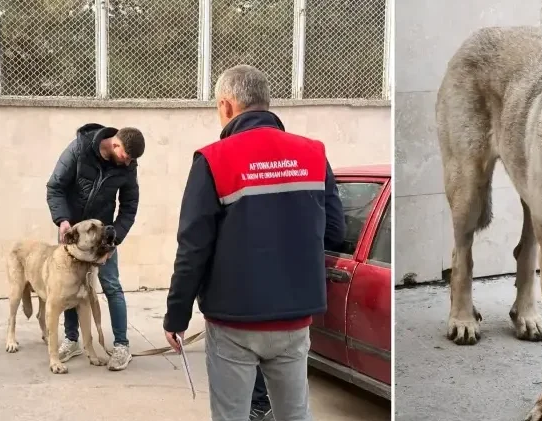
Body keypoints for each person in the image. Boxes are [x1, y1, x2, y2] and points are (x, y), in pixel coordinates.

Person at [163, 64, 345, 421]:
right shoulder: (313, 154)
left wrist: (177, 315)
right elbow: (335, 232)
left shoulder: (213, 159)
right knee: (295, 414)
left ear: (227, 105)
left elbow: (193, 248)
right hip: (295, 317)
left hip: (234, 321)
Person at [46, 124, 145, 371]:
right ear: (115, 144)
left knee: (112, 285)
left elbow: (129, 207)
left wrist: (114, 239)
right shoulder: (79, 149)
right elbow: (55, 186)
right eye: (126, 156)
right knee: (67, 287)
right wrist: (62, 220)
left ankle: (121, 345)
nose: (128, 162)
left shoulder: (128, 166)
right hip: (73, 235)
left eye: (132, 160)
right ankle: (71, 340)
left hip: (102, 238)